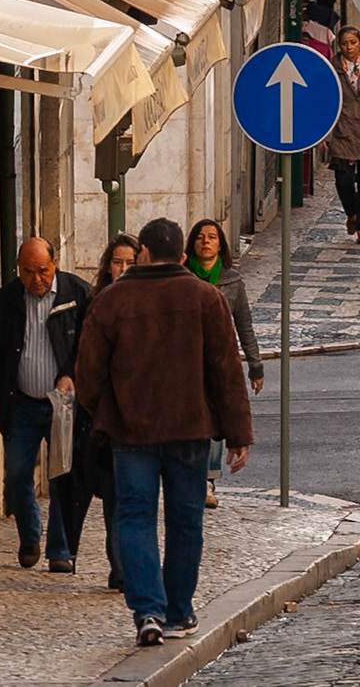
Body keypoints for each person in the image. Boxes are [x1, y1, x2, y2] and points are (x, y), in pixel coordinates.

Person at [75, 217, 254, 647]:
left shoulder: (113, 301)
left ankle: (147, 611)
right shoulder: (206, 298)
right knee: (185, 521)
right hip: (188, 430)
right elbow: (226, 370)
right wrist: (238, 433)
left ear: (145, 253)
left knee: (134, 517)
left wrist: (108, 412)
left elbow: (88, 375)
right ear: (183, 254)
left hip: (130, 433)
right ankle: (178, 610)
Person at [0, 236, 91, 572]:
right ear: (18, 270)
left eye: (42, 270)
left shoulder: (77, 294)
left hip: (62, 404)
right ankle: (30, 535)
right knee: (16, 475)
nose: (37, 279)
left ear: (54, 263)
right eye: (28, 272)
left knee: (61, 476)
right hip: (21, 402)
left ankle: (60, 549)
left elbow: (90, 346)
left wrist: (71, 374)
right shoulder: (4, 302)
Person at [186, 219, 262, 510]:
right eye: (200, 237)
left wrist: (256, 366)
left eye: (212, 238)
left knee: (215, 418)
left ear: (221, 245)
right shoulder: (181, 277)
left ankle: (208, 479)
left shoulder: (232, 282)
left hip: (217, 360)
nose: (206, 242)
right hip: (186, 362)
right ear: (192, 243)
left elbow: (245, 325)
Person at [82, 235, 138, 590]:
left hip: (140, 418)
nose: (123, 269)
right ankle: (120, 569)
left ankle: (128, 566)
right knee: (116, 497)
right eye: (118, 262)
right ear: (107, 265)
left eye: (131, 263)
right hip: (108, 418)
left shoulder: (147, 303)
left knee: (134, 499)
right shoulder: (96, 305)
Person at [323, 26, 360, 244]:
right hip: (342, 130)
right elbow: (324, 101)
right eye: (345, 43)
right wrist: (326, 134)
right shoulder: (331, 68)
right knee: (343, 180)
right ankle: (352, 213)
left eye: (353, 42)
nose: (349, 47)